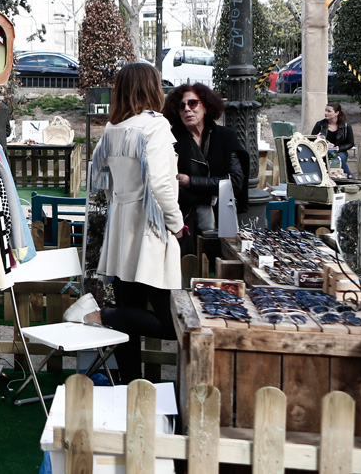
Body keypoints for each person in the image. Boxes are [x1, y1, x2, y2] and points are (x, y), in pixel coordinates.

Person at [64, 63, 184, 384]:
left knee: (128, 325)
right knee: (172, 322)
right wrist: (176, 222)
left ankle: (132, 391)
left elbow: (97, 177)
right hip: (150, 229)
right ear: (152, 88)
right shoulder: (153, 126)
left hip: (122, 229)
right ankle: (97, 315)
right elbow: (160, 184)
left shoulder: (113, 129)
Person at [162, 83, 249, 257]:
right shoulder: (170, 141)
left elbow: (235, 182)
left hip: (223, 220)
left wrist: (190, 182)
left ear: (206, 106)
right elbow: (169, 187)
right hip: (183, 223)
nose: (187, 109)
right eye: (181, 106)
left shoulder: (225, 137)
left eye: (193, 103)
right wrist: (210, 195)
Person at [311, 102, 355, 178]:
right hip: (323, 152)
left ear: (337, 113)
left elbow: (350, 143)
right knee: (330, 151)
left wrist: (338, 148)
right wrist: (323, 143)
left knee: (339, 158)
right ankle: (349, 175)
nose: (326, 113)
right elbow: (311, 140)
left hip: (340, 151)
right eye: (325, 110)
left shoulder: (346, 125)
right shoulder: (320, 125)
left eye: (329, 111)